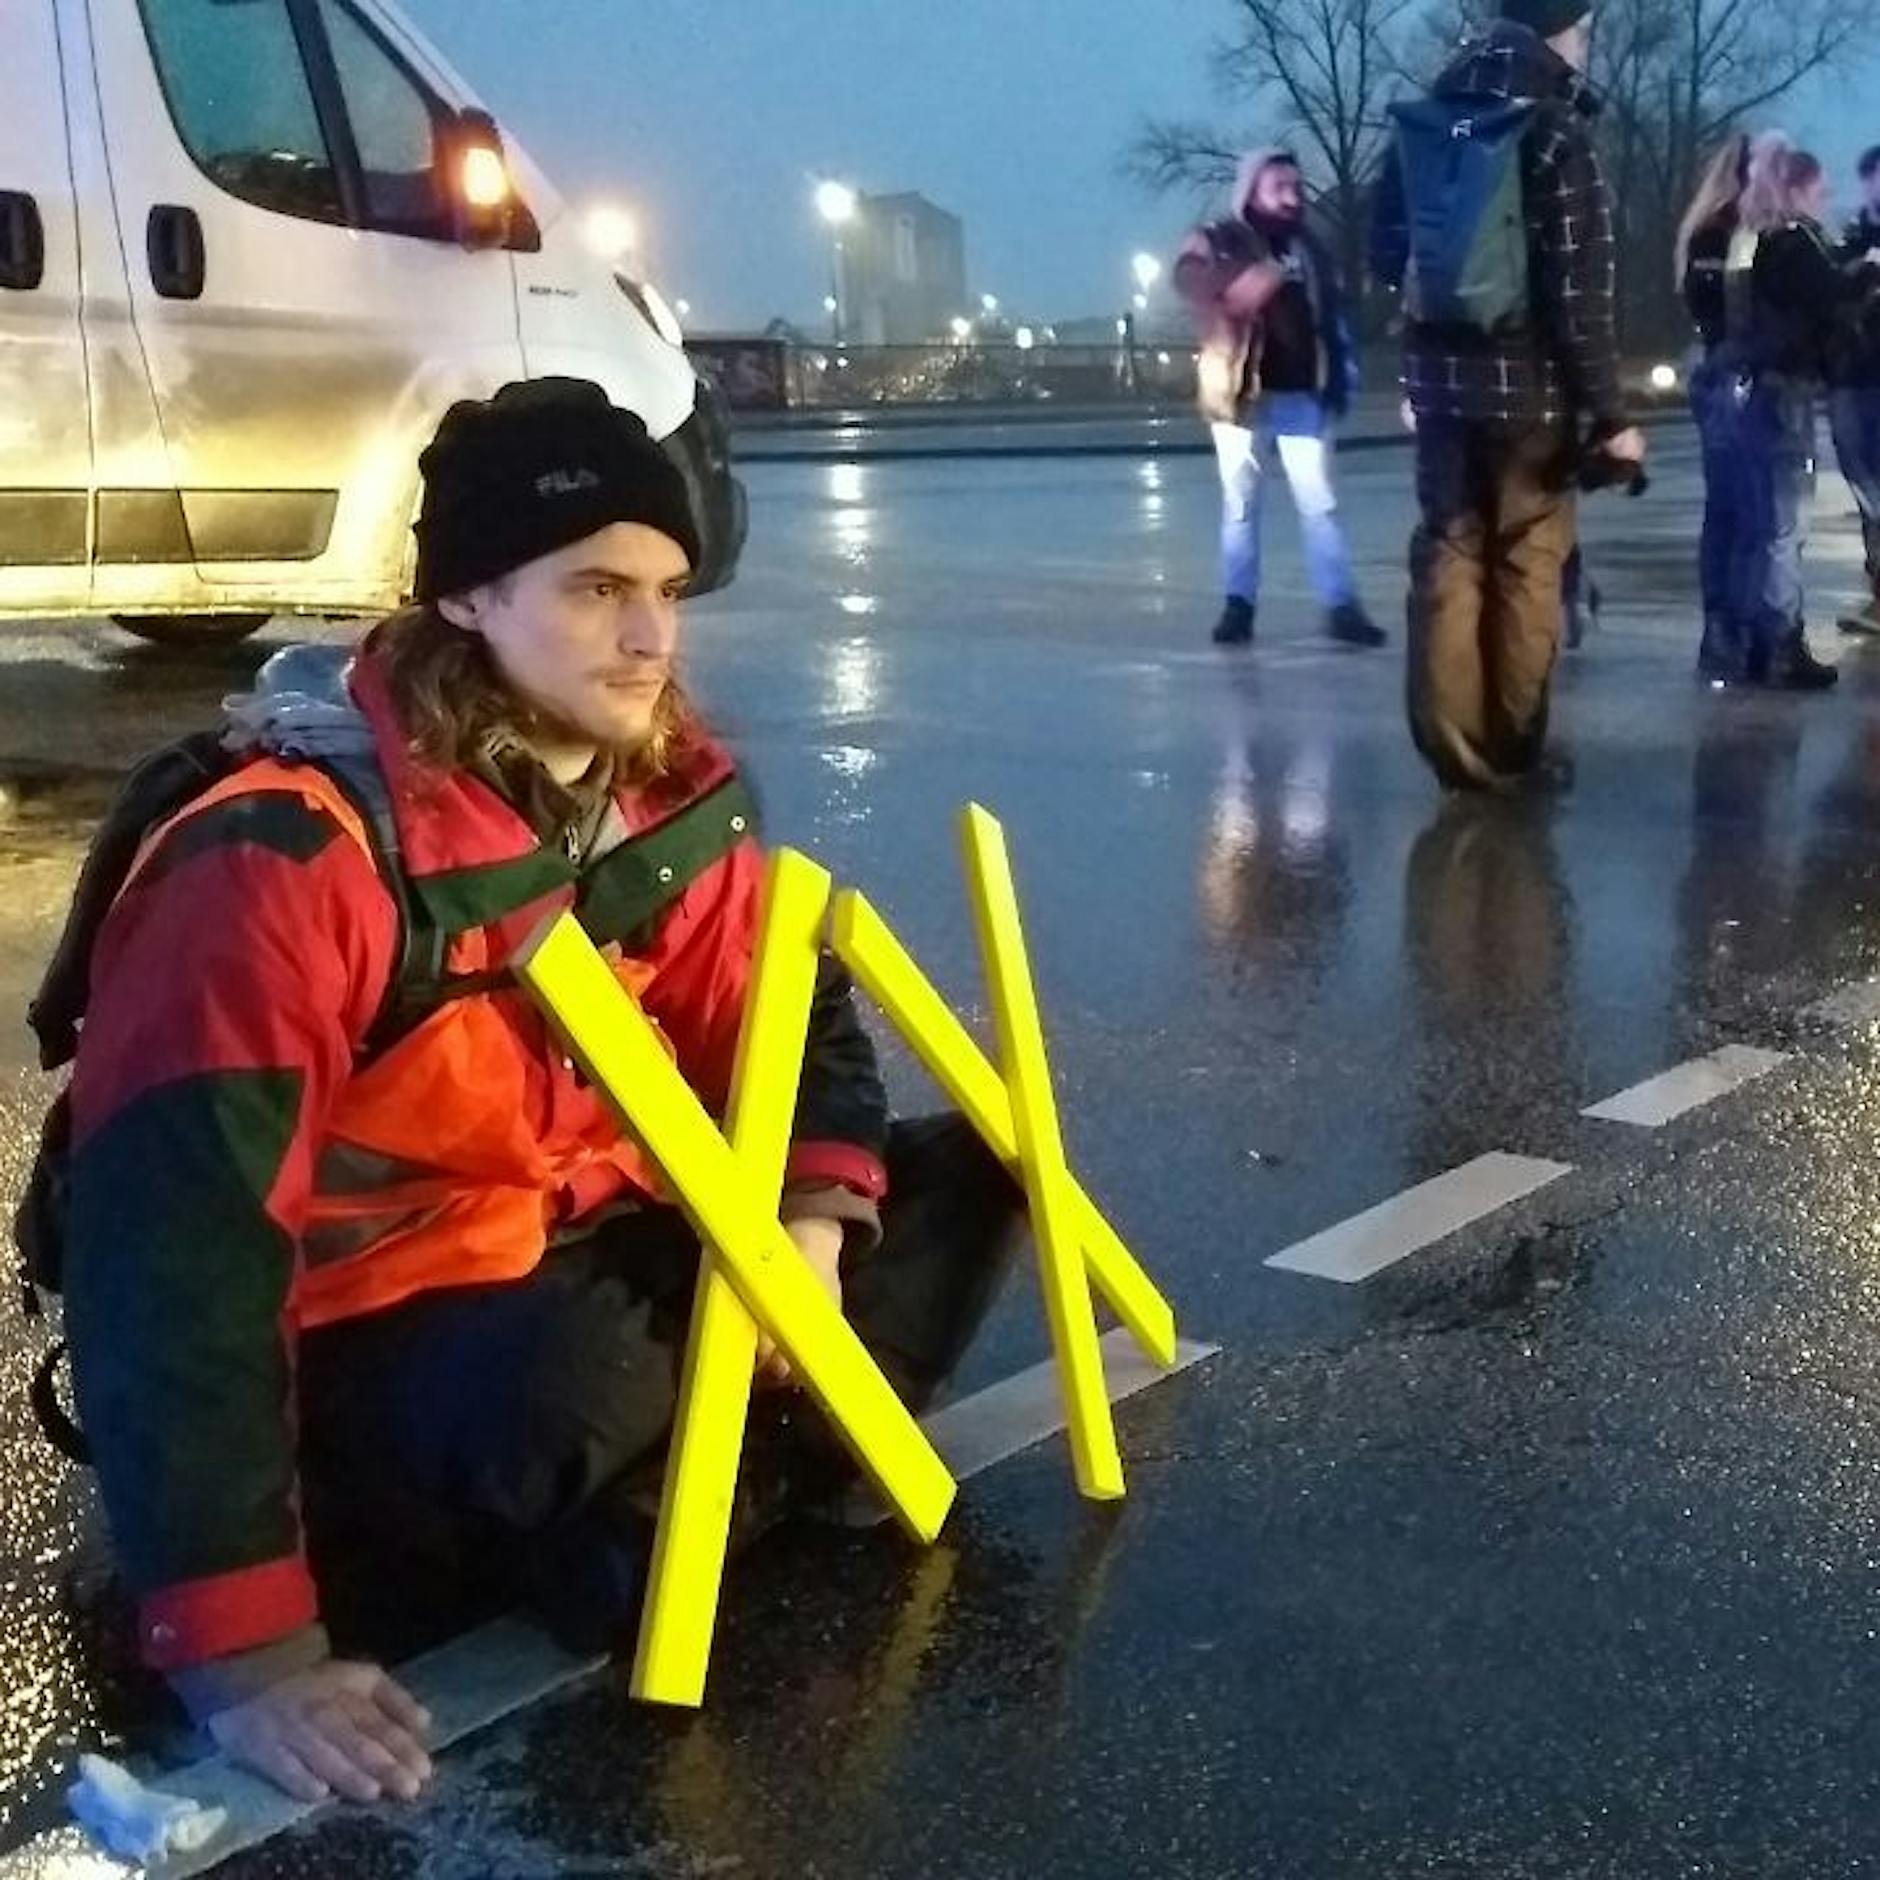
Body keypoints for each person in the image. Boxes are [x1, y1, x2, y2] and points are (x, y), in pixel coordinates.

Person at [53, 378, 1023, 1806]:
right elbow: (171, 1266)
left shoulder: (661, 790)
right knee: (577, 1391)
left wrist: (809, 1231)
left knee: (973, 1180)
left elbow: (782, 1005)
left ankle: (644, 1509)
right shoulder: (281, 859)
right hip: (372, 1325)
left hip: (580, 1235)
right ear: (467, 600)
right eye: (595, 590)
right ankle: (633, 1496)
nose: (649, 637)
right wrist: (246, 1658)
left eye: (669, 591)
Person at [1371, 0, 1646, 792]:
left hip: (1438, 388)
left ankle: (1455, 753)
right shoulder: (1555, 132)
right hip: (1530, 397)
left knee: (1449, 556)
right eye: (1584, 30)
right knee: (1528, 565)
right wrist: (1613, 417)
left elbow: (1389, 249)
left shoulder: (1425, 124)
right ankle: (1516, 750)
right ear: (1559, 32)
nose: (1587, 46)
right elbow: (1579, 297)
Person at [1174, 149, 1386, 649]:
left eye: (1296, 187)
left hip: (1302, 394)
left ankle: (1340, 607)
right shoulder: (1220, 237)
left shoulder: (1308, 245)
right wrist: (1233, 284)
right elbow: (1186, 277)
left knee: (1322, 505)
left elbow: (1331, 314)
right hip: (1240, 397)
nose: (1292, 198)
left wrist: (1341, 378)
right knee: (1242, 505)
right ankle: (1238, 606)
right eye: (1280, 188)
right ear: (1252, 191)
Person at [1728, 141, 1880, 686]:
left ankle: (1753, 641)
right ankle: (1778, 643)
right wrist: (1867, 271)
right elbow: (1831, 296)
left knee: (1764, 524)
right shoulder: (1793, 244)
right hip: (1786, 390)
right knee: (1782, 527)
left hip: (1772, 389)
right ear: (1795, 190)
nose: (1828, 198)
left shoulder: (1760, 240)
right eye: (1819, 190)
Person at [1677, 132, 1758, 680]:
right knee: (1735, 508)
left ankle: (1730, 625)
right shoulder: (1721, 231)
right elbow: (1719, 310)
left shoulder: (1716, 229)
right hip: (1728, 374)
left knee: (1738, 509)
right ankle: (1725, 626)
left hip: (1724, 371)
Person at [1831, 143, 1880, 635]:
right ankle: (1877, 591)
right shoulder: (1849, 239)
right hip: (1853, 374)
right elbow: (1831, 295)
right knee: (1866, 488)